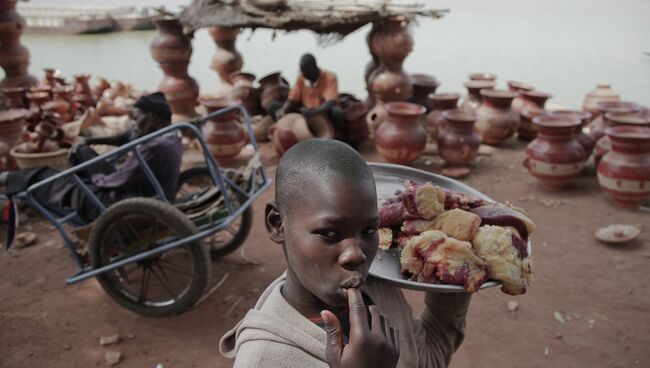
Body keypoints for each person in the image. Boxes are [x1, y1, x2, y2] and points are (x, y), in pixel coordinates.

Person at [220, 139, 471, 367]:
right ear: (277, 224)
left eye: (369, 230)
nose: (356, 254)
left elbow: (425, 360)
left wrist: (452, 271)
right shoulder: (265, 359)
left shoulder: (375, 290)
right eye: (329, 233)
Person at [0, 92, 182, 224]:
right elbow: (124, 137)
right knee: (82, 152)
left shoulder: (153, 148)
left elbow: (122, 179)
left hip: (125, 201)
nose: (134, 124)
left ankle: (10, 179)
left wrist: (95, 180)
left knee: (48, 175)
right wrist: (88, 140)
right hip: (141, 191)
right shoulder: (168, 135)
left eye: (137, 118)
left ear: (152, 117)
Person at [275, 53, 346, 136]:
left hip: (324, 111)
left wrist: (314, 112)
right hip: (306, 111)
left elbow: (330, 102)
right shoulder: (301, 77)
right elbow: (292, 99)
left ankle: (340, 137)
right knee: (274, 107)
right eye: (303, 72)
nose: (304, 75)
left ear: (314, 68)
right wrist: (283, 110)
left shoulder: (330, 77)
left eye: (306, 72)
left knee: (337, 112)